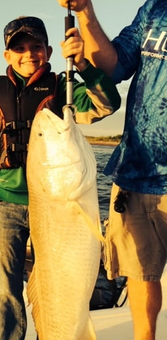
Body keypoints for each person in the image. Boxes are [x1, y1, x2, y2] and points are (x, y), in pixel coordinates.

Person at [0, 15, 120, 340]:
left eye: (36, 46)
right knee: (4, 285)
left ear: (48, 51)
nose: (28, 54)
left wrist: (84, 68)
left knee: (56, 278)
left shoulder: (64, 86)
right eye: (19, 48)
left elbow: (107, 104)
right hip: (5, 203)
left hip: (54, 206)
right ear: (7, 55)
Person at [56, 1, 167, 340]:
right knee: (140, 275)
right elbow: (115, 66)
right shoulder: (155, 8)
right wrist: (86, 11)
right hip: (136, 171)